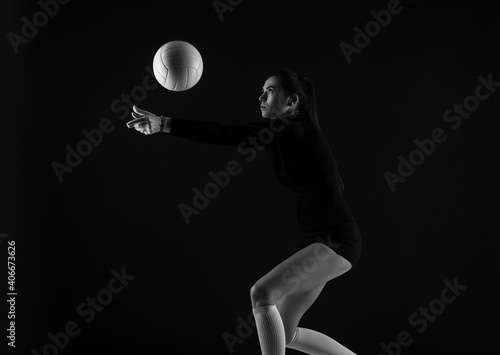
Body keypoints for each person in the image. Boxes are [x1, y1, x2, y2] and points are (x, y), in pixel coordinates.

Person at [126, 68, 361, 355]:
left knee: (262, 294)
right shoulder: (286, 136)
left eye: (271, 91)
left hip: (336, 240)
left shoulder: (294, 130)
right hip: (317, 241)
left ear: (292, 102)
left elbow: (229, 134)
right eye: (263, 89)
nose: (261, 96)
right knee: (284, 332)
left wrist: (165, 123)